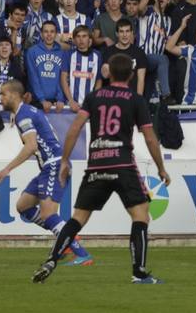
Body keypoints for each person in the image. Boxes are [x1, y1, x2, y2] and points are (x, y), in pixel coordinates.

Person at [33, 54, 170, 284]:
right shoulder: (136, 99)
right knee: (141, 215)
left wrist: (65, 160)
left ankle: (52, 259)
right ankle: (139, 273)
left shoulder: (94, 97)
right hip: (123, 164)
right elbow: (149, 138)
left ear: (108, 73)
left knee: (77, 218)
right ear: (131, 75)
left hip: (96, 164)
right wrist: (161, 168)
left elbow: (75, 128)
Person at [0, 80, 92, 266]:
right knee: (23, 206)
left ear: (14, 95)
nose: (1, 98)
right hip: (49, 167)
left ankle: (80, 252)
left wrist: (7, 169)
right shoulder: (25, 112)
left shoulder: (23, 115)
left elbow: (31, 146)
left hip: (55, 164)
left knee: (48, 214)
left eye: (3, 94)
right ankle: (64, 239)